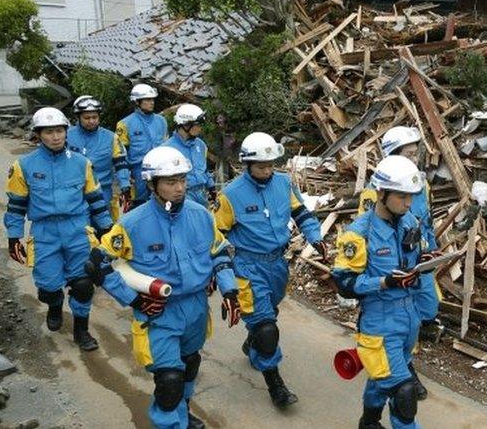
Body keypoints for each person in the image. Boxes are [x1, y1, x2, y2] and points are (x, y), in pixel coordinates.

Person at [86, 146, 239, 429]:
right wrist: (135, 300)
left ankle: (183, 409)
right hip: (158, 313)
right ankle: (169, 421)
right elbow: (97, 265)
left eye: (182, 180)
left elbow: (219, 252)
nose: (179, 187)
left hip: (195, 308)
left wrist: (230, 291)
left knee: (190, 364)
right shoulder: (133, 222)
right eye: (170, 182)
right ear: (152, 184)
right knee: (169, 380)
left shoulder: (201, 215)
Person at [213, 132, 324, 408]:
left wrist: (315, 236)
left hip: (277, 264)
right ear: (247, 164)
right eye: (261, 166)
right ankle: (276, 385)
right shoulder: (230, 195)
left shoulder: (284, 184)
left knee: (269, 312)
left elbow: (301, 213)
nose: (267, 170)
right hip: (247, 266)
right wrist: (219, 273)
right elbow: (216, 235)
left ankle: (252, 343)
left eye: (271, 164)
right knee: (266, 328)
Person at [4, 107, 112, 351]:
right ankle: (54, 305)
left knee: (84, 284)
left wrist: (106, 228)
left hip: (77, 230)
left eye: (59, 131)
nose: (55, 137)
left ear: (67, 132)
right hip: (44, 233)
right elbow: (17, 205)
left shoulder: (82, 163)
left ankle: (81, 330)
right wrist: (14, 237)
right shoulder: (24, 166)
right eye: (49, 132)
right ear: (39, 134)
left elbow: (96, 199)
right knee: (47, 287)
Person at [334, 155, 427, 429]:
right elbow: (345, 284)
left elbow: (413, 259)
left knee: (382, 376)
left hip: (409, 319)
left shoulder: (410, 221)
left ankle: (368, 422)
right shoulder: (358, 233)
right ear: (382, 193)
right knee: (403, 392)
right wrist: (383, 282)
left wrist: (428, 258)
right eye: (402, 197)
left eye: (411, 196)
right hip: (379, 323)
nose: (409, 203)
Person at [358, 126, 440, 401]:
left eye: (416, 151)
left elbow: (425, 221)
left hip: (417, 260)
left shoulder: (420, 183)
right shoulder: (375, 194)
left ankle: (399, 361)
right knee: (397, 322)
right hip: (392, 267)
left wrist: (431, 250)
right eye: (408, 152)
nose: (414, 157)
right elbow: (371, 235)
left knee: (426, 308)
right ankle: (403, 370)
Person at [67, 95, 130, 221]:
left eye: (94, 117)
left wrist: (125, 185)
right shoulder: (67, 136)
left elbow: (121, 163)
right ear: (78, 117)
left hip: (104, 192)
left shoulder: (111, 137)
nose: (91, 121)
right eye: (87, 118)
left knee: (106, 229)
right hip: (74, 193)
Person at [117, 84, 167, 208]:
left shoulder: (161, 121)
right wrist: (125, 177)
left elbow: (167, 147)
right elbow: (120, 155)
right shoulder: (124, 124)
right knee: (138, 207)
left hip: (160, 171)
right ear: (137, 102)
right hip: (137, 174)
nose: (152, 102)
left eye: (153, 99)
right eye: (148, 100)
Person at [163, 104, 215, 207]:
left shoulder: (201, 145)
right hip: (181, 196)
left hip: (202, 194)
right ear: (186, 124)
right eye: (197, 124)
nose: (200, 128)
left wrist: (212, 188)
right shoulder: (167, 149)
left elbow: (204, 170)